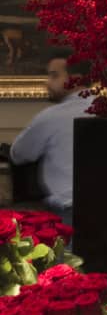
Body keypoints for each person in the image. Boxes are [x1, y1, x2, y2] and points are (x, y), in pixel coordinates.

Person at [10, 52, 91, 225]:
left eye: (54, 75)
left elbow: (18, 153)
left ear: (75, 79)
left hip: (67, 212)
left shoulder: (52, 117)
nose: (47, 83)